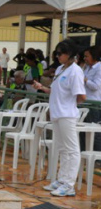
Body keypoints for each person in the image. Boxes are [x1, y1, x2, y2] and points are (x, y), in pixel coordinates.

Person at [33, 39, 86, 197]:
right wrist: (42, 88)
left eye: (60, 54)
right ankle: (62, 179)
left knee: (72, 149)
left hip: (67, 115)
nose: (57, 57)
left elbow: (81, 96)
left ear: (69, 54)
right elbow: (55, 91)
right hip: (57, 114)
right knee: (62, 149)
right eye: (56, 54)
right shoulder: (60, 69)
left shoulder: (75, 71)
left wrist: (69, 105)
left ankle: (69, 184)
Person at [82, 46, 101, 151]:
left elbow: (96, 86)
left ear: (94, 56)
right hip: (84, 103)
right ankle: (85, 154)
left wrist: (85, 80)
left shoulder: (99, 68)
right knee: (83, 131)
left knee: (95, 133)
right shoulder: (87, 67)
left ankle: (97, 158)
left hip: (93, 104)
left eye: (87, 56)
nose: (85, 58)